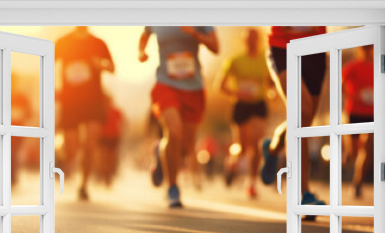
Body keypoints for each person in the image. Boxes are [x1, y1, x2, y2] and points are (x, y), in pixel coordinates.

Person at [138, 26, 219, 208]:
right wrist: (141, 52)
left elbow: (215, 47)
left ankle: (161, 153)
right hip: (166, 85)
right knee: (174, 132)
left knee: (184, 146)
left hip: (194, 89)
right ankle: (172, 188)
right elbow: (144, 35)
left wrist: (195, 34)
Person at [261, 26, 327, 208]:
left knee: (303, 122)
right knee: (302, 112)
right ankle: (305, 193)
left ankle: (273, 147)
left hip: (316, 49)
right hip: (283, 46)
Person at [55, 26, 115, 200]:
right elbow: (45, 60)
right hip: (70, 101)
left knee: (89, 145)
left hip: (93, 101)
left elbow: (112, 67)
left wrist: (101, 64)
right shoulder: (63, 42)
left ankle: (83, 184)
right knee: (72, 150)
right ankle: (61, 148)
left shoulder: (98, 43)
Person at [219, 29, 270, 199]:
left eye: (255, 39)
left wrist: (273, 92)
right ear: (244, 41)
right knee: (241, 148)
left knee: (256, 143)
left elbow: (271, 82)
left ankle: (252, 183)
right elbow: (220, 85)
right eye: (249, 39)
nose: (252, 42)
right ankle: (232, 162)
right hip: (241, 105)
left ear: (259, 40)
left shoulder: (266, 60)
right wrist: (237, 93)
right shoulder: (235, 61)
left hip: (258, 104)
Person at [342, 45, 374, 198]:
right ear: (360, 50)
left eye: (371, 48)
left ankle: (358, 182)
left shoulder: (380, 66)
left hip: (373, 113)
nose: (368, 51)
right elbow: (340, 86)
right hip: (354, 111)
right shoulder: (352, 67)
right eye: (366, 48)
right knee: (353, 152)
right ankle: (348, 154)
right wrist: (351, 95)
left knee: (367, 149)